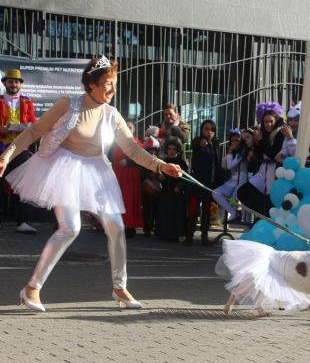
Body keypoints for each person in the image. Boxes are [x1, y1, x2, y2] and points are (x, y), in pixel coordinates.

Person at [0, 56, 182, 312]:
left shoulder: (112, 115)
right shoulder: (69, 104)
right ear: (91, 84)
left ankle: (119, 287)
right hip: (63, 168)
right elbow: (34, 131)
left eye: (114, 83)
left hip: (97, 171)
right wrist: (7, 155)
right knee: (70, 228)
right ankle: (32, 288)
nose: (113, 89)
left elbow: (132, 149)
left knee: (116, 226)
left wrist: (162, 166)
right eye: (108, 83)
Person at [0, 68, 38, 234]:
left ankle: (23, 221)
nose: (13, 84)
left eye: (16, 81)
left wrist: (22, 128)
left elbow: (34, 124)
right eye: (10, 81)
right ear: (5, 83)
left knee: (22, 185)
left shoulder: (28, 102)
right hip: (1, 147)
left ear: (20, 84)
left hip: (21, 148)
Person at [186, 119, 223, 245]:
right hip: (197, 182)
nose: (209, 132)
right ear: (202, 130)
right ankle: (189, 236)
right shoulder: (199, 141)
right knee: (193, 209)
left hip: (210, 183)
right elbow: (195, 144)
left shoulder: (217, 145)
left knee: (207, 211)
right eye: (206, 129)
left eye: (212, 130)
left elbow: (218, 164)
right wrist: (201, 143)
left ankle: (204, 236)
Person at [111, 121, 144, 238]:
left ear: (134, 129)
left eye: (130, 127)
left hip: (130, 178)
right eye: (125, 127)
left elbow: (142, 159)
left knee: (128, 201)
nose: (127, 129)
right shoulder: (115, 143)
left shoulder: (137, 143)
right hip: (118, 178)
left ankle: (129, 226)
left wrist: (129, 162)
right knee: (118, 201)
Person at [212, 128, 250, 223]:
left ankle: (238, 216)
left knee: (234, 200)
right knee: (215, 193)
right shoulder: (232, 152)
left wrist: (229, 153)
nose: (234, 142)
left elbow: (230, 166)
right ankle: (233, 213)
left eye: (237, 140)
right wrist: (228, 155)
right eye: (232, 140)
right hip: (232, 182)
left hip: (242, 182)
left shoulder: (243, 151)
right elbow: (224, 165)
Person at [156, 137, 189, 241]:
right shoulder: (164, 161)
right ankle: (164, 234)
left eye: (174, 149)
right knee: (165, 213)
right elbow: (160, 175)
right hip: (166, 191)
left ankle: (175, 234)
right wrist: (160, 177)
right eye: (169, 149)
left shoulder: (181, 162)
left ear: (178, 150)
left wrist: (179, 186)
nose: (171, 151)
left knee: (176, 213)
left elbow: (185, 177)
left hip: (177, 192)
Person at [250, 103, 285, 194]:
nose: (268, 124)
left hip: (275, 170)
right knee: (249, 190)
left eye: (271, 121)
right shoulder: (262, 133)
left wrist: (261, 140)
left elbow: (273, 154)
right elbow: (258, 155)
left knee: (270, 194)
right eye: (266, 122)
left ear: (275, 121)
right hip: (262, 170)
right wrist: (256, 142)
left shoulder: (280, 133)